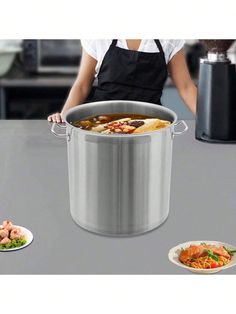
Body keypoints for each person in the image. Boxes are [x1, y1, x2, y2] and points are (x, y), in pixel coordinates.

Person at [48, 39, 197, 123]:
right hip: (101, 123)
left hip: (150, 126)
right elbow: (82, 85)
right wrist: (64, 116)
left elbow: (186, 87)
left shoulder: (168, 38)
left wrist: (209, 124)